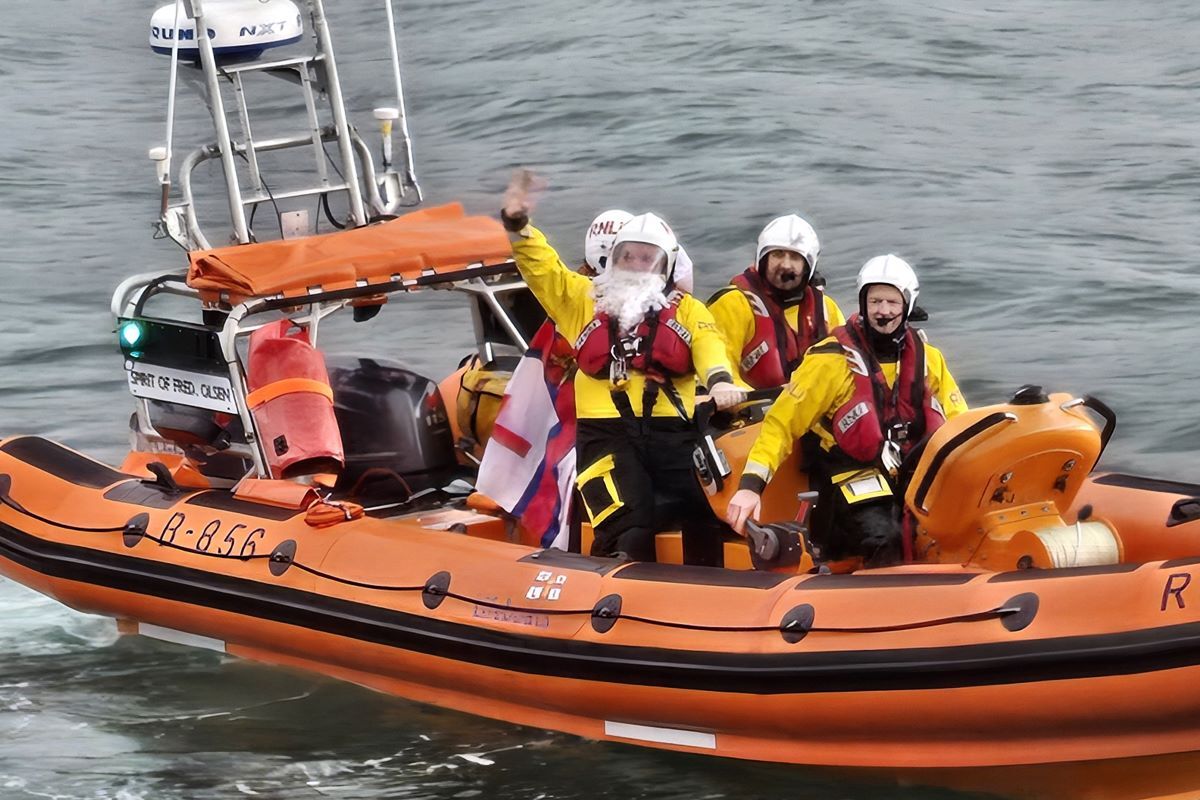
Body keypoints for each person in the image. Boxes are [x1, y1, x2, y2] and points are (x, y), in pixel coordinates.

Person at [500, 170, 745, 564]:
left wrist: (720, 382)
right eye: (627, 255)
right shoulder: (581, 299)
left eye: (647, 258)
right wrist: (518, 225)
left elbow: (710, 346)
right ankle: (610, 602)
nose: (635, 265)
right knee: (627, 528)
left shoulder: (688, 311)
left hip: (674, 434)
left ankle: (712, 604)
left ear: (664, 267)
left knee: (706, 520)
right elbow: (542, 268)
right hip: (606, 437)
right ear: (613, 258)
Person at [724, 254, 967, 568]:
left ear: (907, 304)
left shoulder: (928, 360)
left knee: (950, 524)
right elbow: (781, 424)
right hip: (847, 478)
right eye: (875, 300)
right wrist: (750, 487)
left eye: (892, 302)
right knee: (885, 538)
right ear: (862, 302)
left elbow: (959, 421)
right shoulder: (829, 360)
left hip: (910, 474)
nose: (883, 311)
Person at [708, 214, 845, 390]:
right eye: (778, 254)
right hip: (753, 412)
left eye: (795, 257)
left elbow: (845, 367)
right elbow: (719, 370)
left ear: (808, 266)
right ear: (763, 259)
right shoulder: (733, 304)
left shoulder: (826, 308)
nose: (786, 265)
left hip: (813, 409)